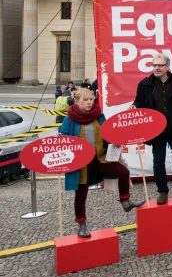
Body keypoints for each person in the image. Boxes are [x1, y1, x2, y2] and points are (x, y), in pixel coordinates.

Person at [61, 88, 144, 238]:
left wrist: (114, 142)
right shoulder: (70, 119)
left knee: (123, 172)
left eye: (91, 99)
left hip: (100, 158)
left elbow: (107, 133)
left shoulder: (98, 116)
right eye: (85, 100)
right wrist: (59, 139)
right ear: (77, 101)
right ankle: (82, 225)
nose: (89, 102)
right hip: (82, 163)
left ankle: (125, 201)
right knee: (81, 193)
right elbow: (66, 139)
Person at [131, 54, 172, 204]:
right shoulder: (144, 84)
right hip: (156, 129)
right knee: (158, 161)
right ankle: (162, 192)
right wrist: (134, 107)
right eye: (154, 65)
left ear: (167, 67)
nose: (157, 68)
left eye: (160, 65)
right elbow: (138, 102)